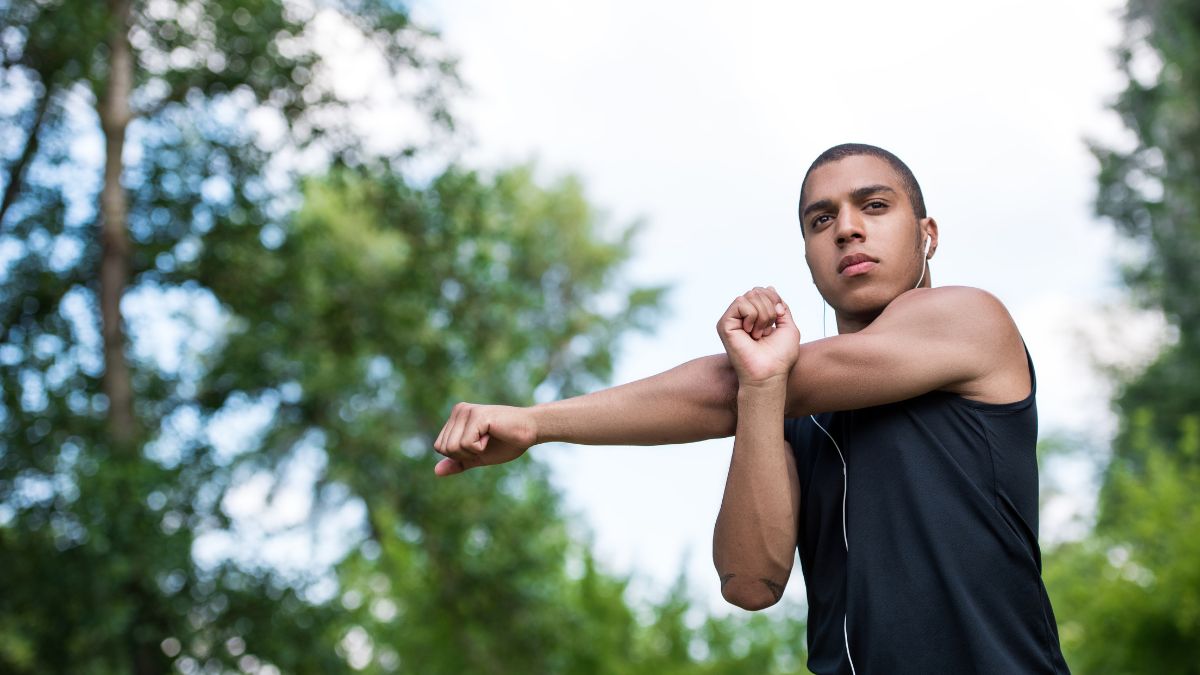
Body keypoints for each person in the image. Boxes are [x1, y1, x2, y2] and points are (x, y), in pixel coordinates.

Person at [433, 143, 1070, 674]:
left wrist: (536, 423)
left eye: (874, 206)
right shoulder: (785, 403)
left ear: (926, 235)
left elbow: (719, 390)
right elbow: (749, 584)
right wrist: (762, 393)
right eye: (821, 220)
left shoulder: (968, 318)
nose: (847, 226)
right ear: (809, 258)